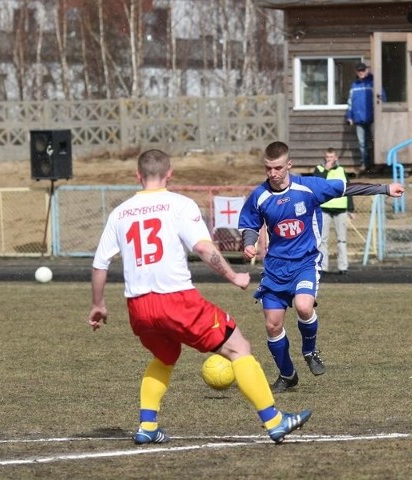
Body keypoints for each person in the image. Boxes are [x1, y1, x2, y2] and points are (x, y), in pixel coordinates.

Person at [87, 148, 311, 445]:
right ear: (170, 173)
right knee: (239, 347)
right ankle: (275, 420)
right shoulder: (179, 204)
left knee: (165, 356)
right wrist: (234, 276)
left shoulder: (120, 212)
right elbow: (204, 248)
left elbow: (100, 263)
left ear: (138, 176)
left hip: (138, 307)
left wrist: (98, 304)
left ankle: (148, 426)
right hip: (176, 300)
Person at [238, 141, 404, 393]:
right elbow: (249, 224)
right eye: (268, 168)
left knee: (304, 306)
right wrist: (249, 243)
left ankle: (310, 350)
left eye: (278, 168)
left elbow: (346, 188)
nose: (272, 173)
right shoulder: (260, 195)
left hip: (305, 262)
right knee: (272, 324)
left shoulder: (309, 186)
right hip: (275, 268)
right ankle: (287, 374)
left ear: (289, 165)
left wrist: (384, 188)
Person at [312, 147, 354, 275]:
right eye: (327, 157)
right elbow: (317, 184)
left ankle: (343, 267)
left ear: (336, 158)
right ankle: (323, 267)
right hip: (324, 208)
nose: (329, 159)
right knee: (323, 239)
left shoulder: (342, 170)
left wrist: (351, 209)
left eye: (331, 157)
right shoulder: (319, 170)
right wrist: (326, 170)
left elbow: (348, 189)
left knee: (342, 240)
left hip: (340, 209)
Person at [345, 62, 374, 173]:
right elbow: (350, 103)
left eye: (363, 70)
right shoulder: (354, 85)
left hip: (372, 119)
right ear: (356, 72)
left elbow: (381, 98)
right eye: (359, 70)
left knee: (374, 142)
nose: (361, 72)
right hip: (358, 119)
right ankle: (365, 164)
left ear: (366, 71)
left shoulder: (372, 83)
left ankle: (377, 164)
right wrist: (349, 117)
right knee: (362, 143)